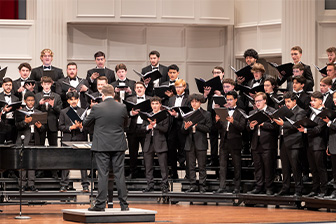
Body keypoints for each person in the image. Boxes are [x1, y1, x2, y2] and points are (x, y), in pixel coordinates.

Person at [83, 84, 129, 211]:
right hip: (118, 144)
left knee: (103, 174)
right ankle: (124, 205)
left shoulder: (97, 107)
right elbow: (126, 124)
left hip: (102, 145)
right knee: (119, 174)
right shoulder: (122, 107)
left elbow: (85, 123)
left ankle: (100, 205)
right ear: (113, 94)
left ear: (102, 95)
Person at [273, 92, 306, 197]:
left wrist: (283, 124)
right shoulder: (284, 111)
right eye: (285, 101)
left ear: (294, 101)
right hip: (283, 141)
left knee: (295, 167)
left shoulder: (300, 111)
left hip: (295, 142)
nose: (286, 103)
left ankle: (298, 189)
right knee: (285, 167)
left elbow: (298, 125)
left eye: (289, 101)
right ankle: (285, 188)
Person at [214, 91, 245, 194]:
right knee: (222, 165)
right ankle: (222, 186)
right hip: (224, 141)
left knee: (236, 165)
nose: (229, 101)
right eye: (227, 100)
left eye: (231, 99)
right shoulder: (223, 111)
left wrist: (233, 122)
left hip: (235, 141)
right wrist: (217, 121)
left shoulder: (241, 112)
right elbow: (218, 128)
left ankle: (237, 187)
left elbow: (242, 127)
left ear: (236, 100)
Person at [298, 91, 328, 197]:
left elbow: (319, 129)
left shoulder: (324, 113)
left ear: (321, 101)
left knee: (321, 168)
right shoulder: (312, 113)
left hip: (319, 145)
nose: (312, 102)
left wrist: (305, 130)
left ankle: (324, 190)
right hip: (310, 144)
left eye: (314, 100)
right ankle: (315, 189)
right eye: (311, 100)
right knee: (313, 169)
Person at [247, 92, 278, 195]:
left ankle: (269, 187)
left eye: (259, 101)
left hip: (268, 144)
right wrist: (251, 126)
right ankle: (259, 186)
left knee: (268, 166)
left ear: (265, 100)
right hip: (256, 143)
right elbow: (247, 128)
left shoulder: (272, 112)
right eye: (256, 101)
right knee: (258, 166)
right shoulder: (252, 113)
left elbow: (275, 127)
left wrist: (263, 124)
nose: (257, 103)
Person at [59, 91, 89, 193]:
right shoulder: (63, 111)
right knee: (65, 163)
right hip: (68, 139)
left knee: (83, 163)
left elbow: (88, 127)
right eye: (71, 100)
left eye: (75, 99)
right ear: (68, 101)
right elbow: (61, 126)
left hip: (81, 138)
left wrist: (81, 127)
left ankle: (85, 185)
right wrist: (71, 127)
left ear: (78, 100)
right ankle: (64, 185)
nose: (73, 101)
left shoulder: (83, 111)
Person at [182, 94, 211, 193]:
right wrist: (186, 127)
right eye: (192, 102)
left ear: (200, 102)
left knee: (202, 166)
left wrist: (196, 125)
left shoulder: (206, 114)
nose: (194, 104)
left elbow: (208, 128)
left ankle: (202, 186)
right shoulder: (187, 114)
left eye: (196, 101)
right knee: (191, 166)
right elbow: (183, 130)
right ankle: (192, 185)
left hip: (201, 142)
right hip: (189, 142)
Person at [35, 76, 63, 178]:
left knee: (53, 148)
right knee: (40, 147)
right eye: (44, 84)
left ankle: (54, 171)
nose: (46, 86)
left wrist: (53, 105)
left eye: (48, 84)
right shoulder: (37, 95)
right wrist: (39, 104)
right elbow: (33, 109)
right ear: (42, 84)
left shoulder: (57, 96)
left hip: (52, 124)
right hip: (40, 123)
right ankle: (39, 171)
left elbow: (60, 111)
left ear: (51, 84)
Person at [141, 96, 169, 193]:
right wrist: (148, 127)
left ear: (160, 105)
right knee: (148, 166)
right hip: (148, 143)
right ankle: (150, 185)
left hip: (160, 142)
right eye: (153, 104)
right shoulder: (147, 116)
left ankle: (165, 184)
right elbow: (142, 128)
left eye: (156, 103)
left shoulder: (164, 115)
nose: (154, 106)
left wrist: (156, 125)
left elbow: (166, 129)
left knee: (163, 166)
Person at [166, 79, 190, 179]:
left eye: (180, 87)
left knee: (184, 149)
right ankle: (174, 173)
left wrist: (177, 115)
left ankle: (187, 174)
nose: (178, 89)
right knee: (171, 149)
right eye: (176, 87)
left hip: (183, 126)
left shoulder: (188, 99)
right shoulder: (171, 99)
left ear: (184, 87)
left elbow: (188, 113)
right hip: (172, 126)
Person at [125, 81, 150, 179]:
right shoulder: (129, 99)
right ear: (134, 90)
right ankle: (133, 173)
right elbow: (125, 113)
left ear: (144, 89)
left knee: (146, 152)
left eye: (141, 87)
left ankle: (147, 174)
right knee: (133, 153)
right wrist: (131, 113)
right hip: (133, 129)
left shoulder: (150, 99)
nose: (139, 89)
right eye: (137, 87)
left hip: (145, 128)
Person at [203, 66, 225, 167]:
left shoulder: (226, 85)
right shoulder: (210, 85)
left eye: (218, 72)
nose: (216, 74)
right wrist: (205, 94)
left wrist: (220, 94)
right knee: (213, 139)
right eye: (214, 73)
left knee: (224, 139)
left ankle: (223, 160)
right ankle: (213, 160)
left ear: (223, 73)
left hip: (222, 115)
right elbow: (203, 101)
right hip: (212, 115)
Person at [323, 91, 336, 199]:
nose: (335, 100)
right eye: (334, 98)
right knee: (334, 171)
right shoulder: (334, 112)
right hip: (333, 145)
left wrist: (329, 123)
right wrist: (328, 145)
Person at [0, 77, 19, 144]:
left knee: (12, 144)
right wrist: (3, 110)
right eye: (6, 85)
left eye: (10, 85)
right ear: (2, 86)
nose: (8, 87)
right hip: (2, 123)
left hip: (12, 124)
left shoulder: (16, 98)